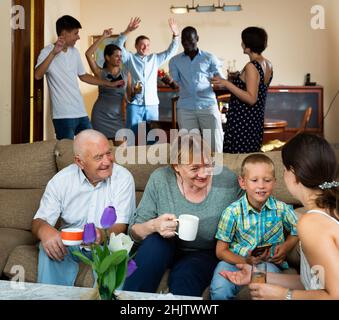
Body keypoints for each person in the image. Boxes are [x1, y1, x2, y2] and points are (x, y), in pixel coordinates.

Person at [221, 133, 339, 300]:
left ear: (294, 173)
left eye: (284, 169)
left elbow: (335, 295)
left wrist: (284, 295)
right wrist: (259, 275)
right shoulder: (329, 210)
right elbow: (313, 283)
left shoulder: (311, 223)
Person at [122, 133, 242, 297]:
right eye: (194, 168)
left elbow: (252, 211)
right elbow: (134, 232)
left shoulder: (227, 180)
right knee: (154, 246)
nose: (203, 174)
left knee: (186, 276)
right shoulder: (160, 179)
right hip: (164, 244)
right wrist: (154, 225)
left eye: (208, 165)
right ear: (176, 166)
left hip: (204, 252)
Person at [32, 129, 136, 286]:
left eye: (108, 153)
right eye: (98, 157)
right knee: (48, 247)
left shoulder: (123, 178)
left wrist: (101, 234)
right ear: (79, 162)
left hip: (107, 244)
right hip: (71, 245)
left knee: (118, 254)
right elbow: (39, 220)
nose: (107, 161)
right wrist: (44, 230)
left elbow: (121, 225)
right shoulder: (61, 181)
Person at [210, 153, 298, 300]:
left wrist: (286, 246)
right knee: (219, 287)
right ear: (242, 182)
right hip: (235, 261)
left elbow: (298, 228)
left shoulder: (281, 209)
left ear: (274, 182)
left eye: (267, 180)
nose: (261, 185)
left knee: (266, 286)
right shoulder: (232, 212)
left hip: (267, 263)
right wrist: (245, 261)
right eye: (254, 180)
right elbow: (221, 251)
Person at [35, 15, 120, 140]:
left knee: (91, 145)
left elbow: (83, 76)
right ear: (64, 33)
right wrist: (53, 53)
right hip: (62, 115)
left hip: (80, 111)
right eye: (76, 33)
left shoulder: (74, 52)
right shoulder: (47, 51)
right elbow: (38, 75)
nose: (78, 37)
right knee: (68, 152)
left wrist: (108, 83)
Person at [211, 27, 273, 153]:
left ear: (248, 46)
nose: (241, 44)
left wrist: (227, 84)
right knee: (250, 160)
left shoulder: (252, 66)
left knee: (235, 161)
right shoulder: (268, 64)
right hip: (255, 121)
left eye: (243, 41)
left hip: (242, 123)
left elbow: (251, 98)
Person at [114, 17, 179, 138]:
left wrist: (175, 34)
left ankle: (150, 157)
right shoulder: (129, 58)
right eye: (142, 45)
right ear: (136, 46)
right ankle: (130, 157)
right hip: (134, 105)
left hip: (152, 105)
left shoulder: (155, 59)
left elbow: (171, 51)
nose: (145, 47)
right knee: (131, 136)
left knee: (152, 136)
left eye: (148, 45)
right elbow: (118, 46)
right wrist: (128, 30)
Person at [168, 26, 225, 153]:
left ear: (197, 39)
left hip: (208, 106)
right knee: (189, 148)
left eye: (190, 41)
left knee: (214, 144)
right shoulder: (174, 61)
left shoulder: (209, 58)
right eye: (184, 42)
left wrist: (217, 82)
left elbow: (222, 81)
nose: (187, 44)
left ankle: (218, 171)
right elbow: (176, 85)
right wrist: (170, 82)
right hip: (185, 108)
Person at [86, 28, 126, 144]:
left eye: (120, 56)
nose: (120, 59)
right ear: (108, 58)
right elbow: (88, 54)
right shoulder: (100, 73)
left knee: (122, 151)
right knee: (100, 149)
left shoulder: (125, 73)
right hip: (100, 116)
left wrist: (135, 93)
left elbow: (130, 96)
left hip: (118, 117)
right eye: (116, 56)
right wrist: (103, 37)